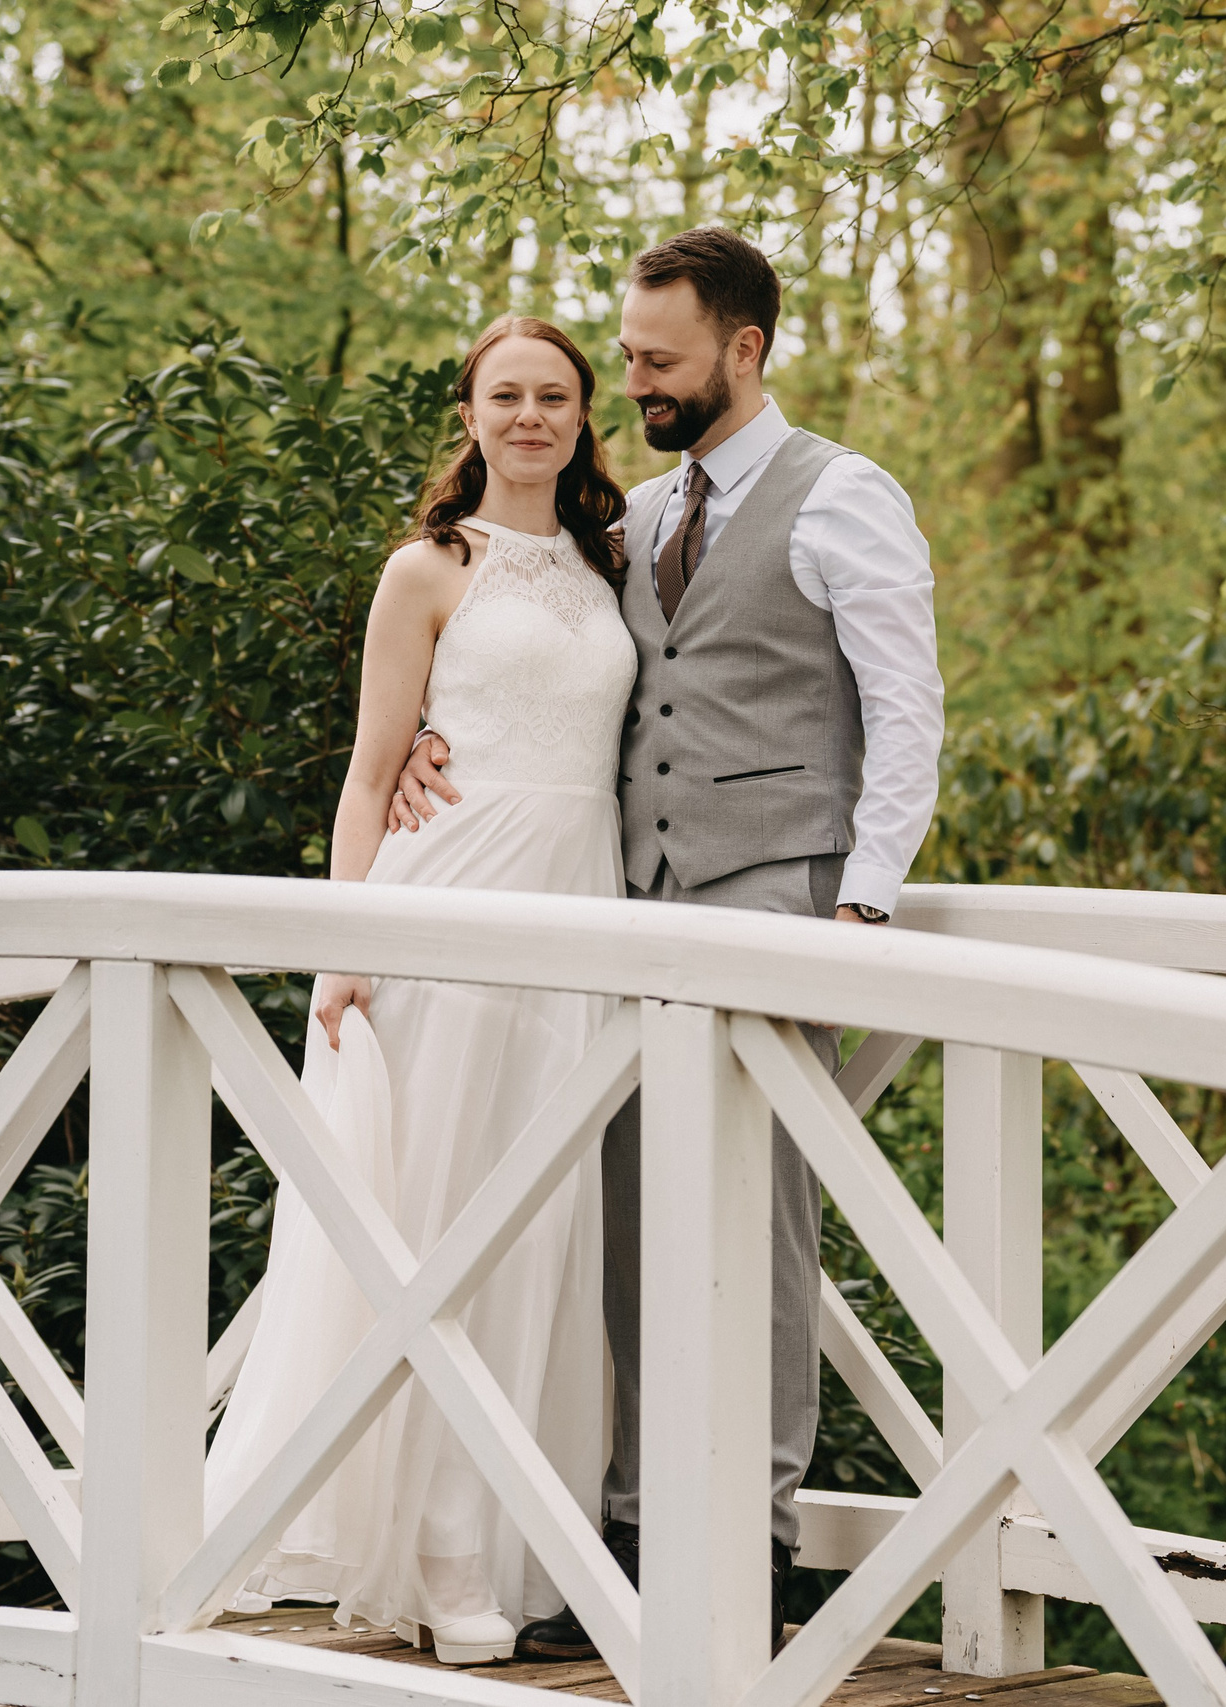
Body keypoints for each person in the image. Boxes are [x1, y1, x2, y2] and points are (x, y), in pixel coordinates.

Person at [389, 227, 947, 1660]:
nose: (628, 376)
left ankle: (750, 1549)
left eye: (655, 358)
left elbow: (909, 717)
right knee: (622, 1206)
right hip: (627, 901)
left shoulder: (846, 499)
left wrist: (865, 905)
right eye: (625, 354)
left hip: (778, 896)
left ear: (743, 351)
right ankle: (625, 1531)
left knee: (755, 1221)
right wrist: (422, 756)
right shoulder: (631, 518)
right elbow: (570, 680)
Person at [203, 315, 637, 1666]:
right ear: (469, 411)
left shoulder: (612, 561)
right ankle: (444, 1561)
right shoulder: (427, 569)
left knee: (541, 1224)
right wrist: (349, 938)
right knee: (438, 1213)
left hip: (582, 910)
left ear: (581, 416)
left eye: (554, 395)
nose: (530, 416)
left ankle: (518, 1532)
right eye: (505, 394)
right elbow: (367, 766)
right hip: (451, 894)